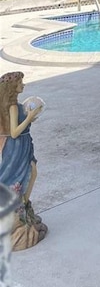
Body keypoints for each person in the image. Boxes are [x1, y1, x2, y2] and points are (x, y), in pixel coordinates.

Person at [0, 71, 47, 250]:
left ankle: (25, 205)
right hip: (16, 147)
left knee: (32, 172)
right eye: (20, 83)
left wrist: (30, 117)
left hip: (25, 144)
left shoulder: (17, 105)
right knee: (19, 178)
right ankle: (19, 208)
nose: (23, 85)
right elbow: (13, 132)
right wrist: (29, 116)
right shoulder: (11, 106)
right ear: (13, 87)